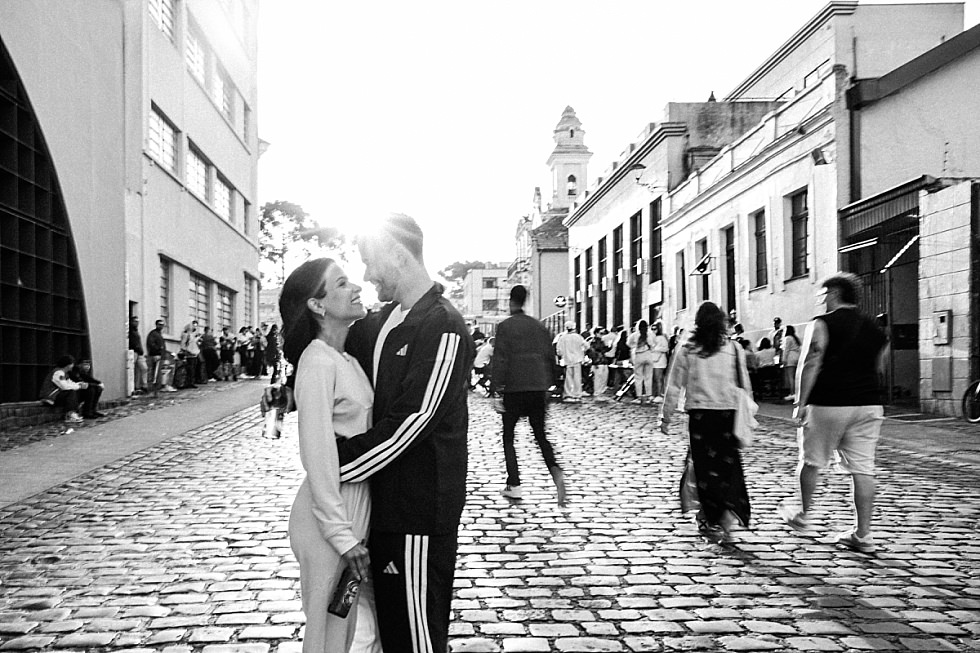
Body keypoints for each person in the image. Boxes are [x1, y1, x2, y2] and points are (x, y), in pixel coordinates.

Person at [279, 257, 380, 653]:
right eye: (341, 284)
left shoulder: (347, 360)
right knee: (325, 638)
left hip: (354, 512)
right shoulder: (318, 361)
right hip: (327, 522)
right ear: (317, 305)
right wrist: (341, 535)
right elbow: (318, 452)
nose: (355, 287)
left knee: (346, 628)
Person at [778, 273, 888, 554]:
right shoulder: (875, 329)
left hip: (828, 403)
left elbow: (811, 361)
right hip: (868, 404)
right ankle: (863, 534)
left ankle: (803, 514)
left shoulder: (822, 323)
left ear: (834, 294)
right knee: (863, 469)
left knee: (811, 460)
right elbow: (879, 367)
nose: (821, 300)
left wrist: (800, 402)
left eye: (822, 295)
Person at [660, 301, 752, 545]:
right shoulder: (733, 347)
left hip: (700, 416)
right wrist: (749, 414)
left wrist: (665, 415)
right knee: (728, 468)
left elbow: (674, 385)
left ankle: (708, 515)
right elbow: (744, 384)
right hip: (727, 414)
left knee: (704, 469)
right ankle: (727, 522)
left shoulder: (688, 348)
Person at [492, 285, 566, 505]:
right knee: (540, 435)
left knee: (508, 437)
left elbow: (501, 358)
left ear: (511, 301)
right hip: (537, 387)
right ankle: (555, 470)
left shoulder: (505, 326)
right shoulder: (539, 326)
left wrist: (495, 388)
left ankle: (514, 484)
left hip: (514, 388)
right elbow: (550, 356)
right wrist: (550, 385)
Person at [38, 355, 88, 423]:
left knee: (75, 391)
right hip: (50, 397)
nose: (73, 366)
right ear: (68, 365)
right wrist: (79, 386)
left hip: (56, 395)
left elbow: (70, 383)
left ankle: (76, 410)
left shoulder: (64, 373)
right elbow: (64, 387)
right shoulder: (58, 373)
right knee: (70, 392)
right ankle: (70, 414)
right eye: (72, 364)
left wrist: (79, 384)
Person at [555, 320, 587, 402]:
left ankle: (568, 394)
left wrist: (563, 355)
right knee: (577, 378)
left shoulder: (562, 338)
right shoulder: (578, 337)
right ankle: (577, 394)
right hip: (577, 359)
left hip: (567, 360)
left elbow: (559, 351)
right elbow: (586, 346)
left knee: (568, 378)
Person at [627, 320, 654, 405]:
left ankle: (639, 397)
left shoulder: (634, 335)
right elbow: (653, 344)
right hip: (648, 354)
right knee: (648, 377)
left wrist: (634, 346)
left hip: (638, 355)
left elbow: (628, 344)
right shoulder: (650, 334)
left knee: (638, 377)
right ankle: (649, 396)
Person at [146, 319, 176, 394]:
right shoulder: (153, 334)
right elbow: (151, 344)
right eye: (160, 324)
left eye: (162, 325)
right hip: (156, 356)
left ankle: (157, 389)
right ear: (156, 325)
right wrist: (157, 353)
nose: (161, 326)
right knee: (155, 373)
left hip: (160, 355)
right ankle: (153, 389)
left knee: (158, 373)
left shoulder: (158, 334)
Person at [781, 324, 802, 401]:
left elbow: (786, 349)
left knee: (790, 377)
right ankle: (798, 392)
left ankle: (792, 393)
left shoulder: (787, 338)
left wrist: (784, 359)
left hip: (790, 357)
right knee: (796, 377)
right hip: (797, 356)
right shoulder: (795, 338)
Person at [128, 316, 148, 395]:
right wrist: (137, 348)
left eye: (137, 322)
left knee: (143, 368)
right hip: (134, 352)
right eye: (135, 321)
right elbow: (132, 342)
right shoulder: (130, 331)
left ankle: (143, 385)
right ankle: (134, 387)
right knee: (133, 369)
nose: (136, 323)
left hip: (139, 352)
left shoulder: (136, 331)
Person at [650, 322, 670, 401]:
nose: (653, 331)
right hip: (652, 360)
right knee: (653, 379)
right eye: (652, 329)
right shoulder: (651, 338)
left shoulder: (662, 338)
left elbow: (666, 348)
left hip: (660, 361)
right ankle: (653, 394)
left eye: (655, 329)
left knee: (658, 378)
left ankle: (660, 394)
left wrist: (656, 349)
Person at [589, 327, 610, 398]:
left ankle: (601, 392)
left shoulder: (601, 341)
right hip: (598, 362)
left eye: (604, 333)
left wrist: (608, 347)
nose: (603, 335)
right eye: (601, 333)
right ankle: (597, 393)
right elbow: (592, 352)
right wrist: (595, 361)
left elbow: (603, 350)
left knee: (604, 378)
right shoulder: (593, 341)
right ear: (596, 333)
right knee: (598, 378)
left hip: (603, 361)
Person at [179, 321, 201, 388]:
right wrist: (185, 351)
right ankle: (189, 382)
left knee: (192, 369)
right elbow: (183, 344)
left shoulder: (191, 335)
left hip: (193, 353)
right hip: (190, 353)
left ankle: (191, 382)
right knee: (190, 369)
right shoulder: (186, 335)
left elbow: (192, 342)